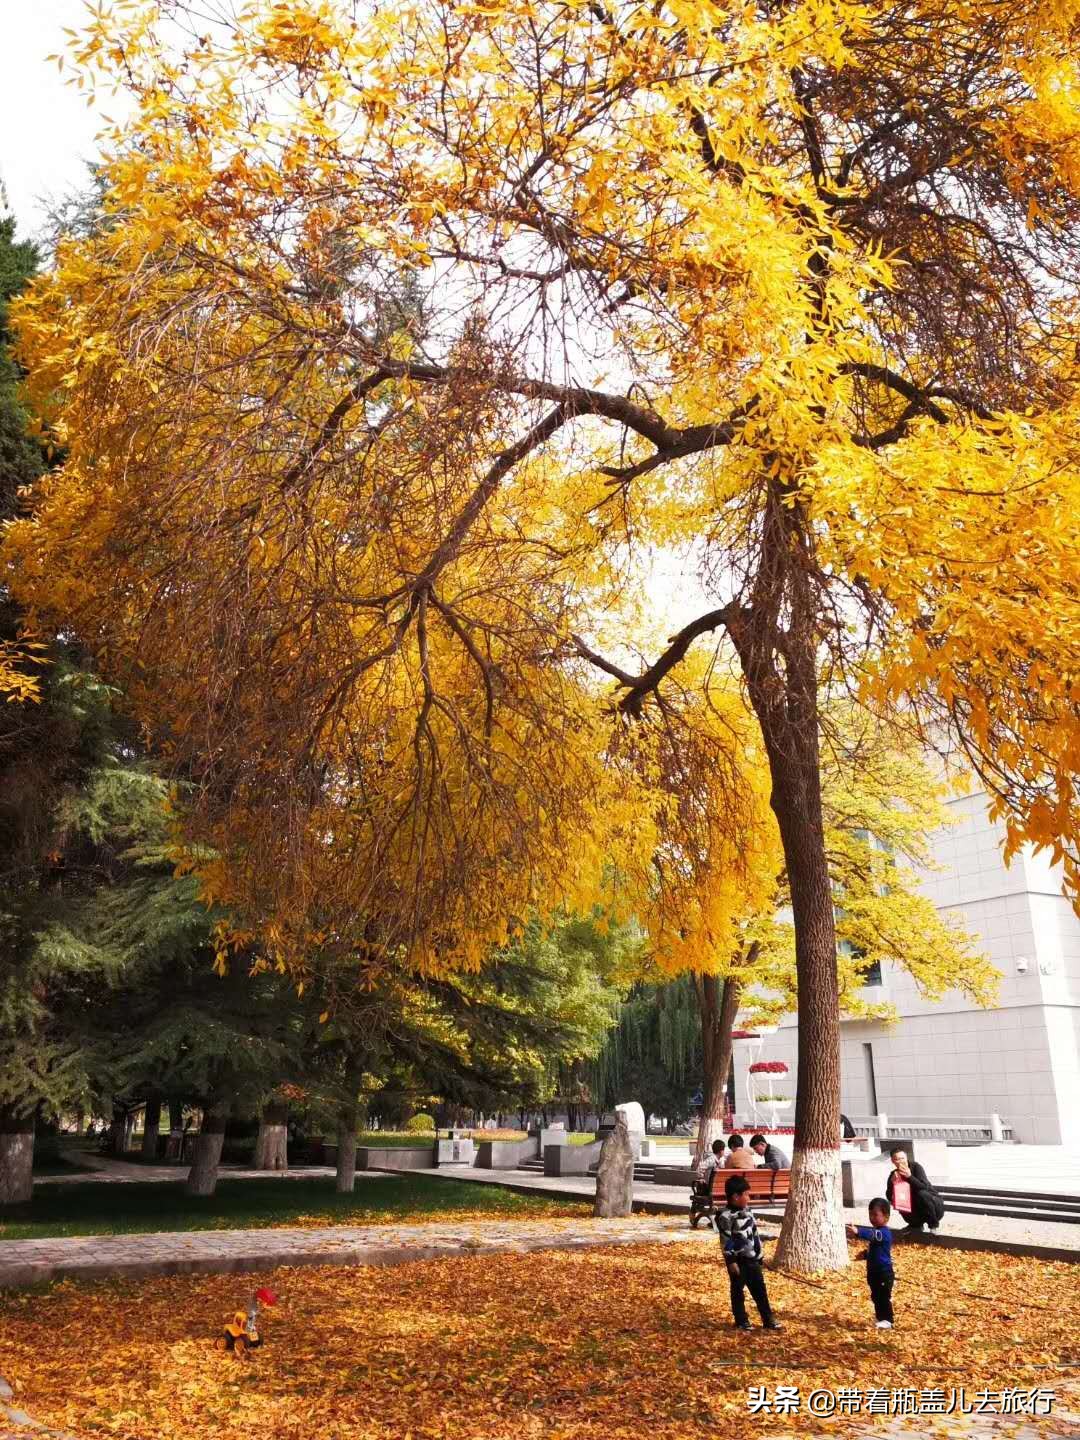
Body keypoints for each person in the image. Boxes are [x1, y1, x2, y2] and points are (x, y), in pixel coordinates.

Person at [716, 1175, 782, 1331]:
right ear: (735, 1197)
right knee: (738, 1291)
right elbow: (726, 1240)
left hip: (752, 1259)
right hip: (738, 1261)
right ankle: (741, 1320)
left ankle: (768, 1319)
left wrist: (758, 1253)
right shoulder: (725, 1216)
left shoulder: (748, 1211)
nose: (749, 1198)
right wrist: (731, 1261)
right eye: (746, 1194)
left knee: (760, 1290)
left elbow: (753, 1233)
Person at [846, 1198, 895, 1329]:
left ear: (886, 1217)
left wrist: (858, 1232)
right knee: (876, 1296)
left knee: (883, 1297)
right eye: (870, 1214)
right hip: (873, 1272)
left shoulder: (884, 1233)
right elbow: (876, 1249)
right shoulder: (878, 1232)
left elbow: (873, 1235)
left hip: (884, 1272)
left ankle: (888, 1320)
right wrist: (865, 1255)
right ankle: (880, 1318)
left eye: (875, 1214)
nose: (872, 1218)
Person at [885, 1147, 945, 1231]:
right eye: (897, 1159)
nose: (901, 1161)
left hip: (934, 1207)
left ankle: (933, 1226)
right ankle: (915, 1225)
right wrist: (892, 1184)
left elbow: (924, 1187)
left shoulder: (916, 1167)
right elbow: (889, 1196)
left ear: (906, 1158)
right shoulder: (893, 1175)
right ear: (893, 1161)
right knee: (899, 1200)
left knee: (921, 1193)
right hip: (916, 1210)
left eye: (903, 1158)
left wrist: (909, 1177)